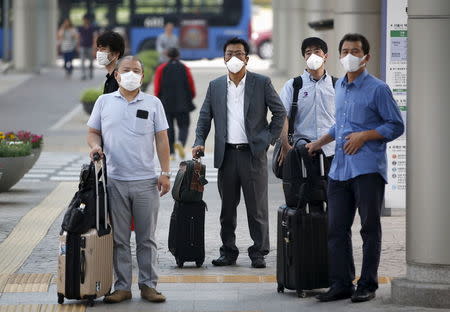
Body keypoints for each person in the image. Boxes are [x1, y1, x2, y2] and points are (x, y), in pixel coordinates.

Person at [306, 33, 404, 303]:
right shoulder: (340, 88)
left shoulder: (378, 89)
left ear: (366, 57)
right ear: (339, 56)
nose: (349, 55)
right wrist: (319, 142)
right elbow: (341, 125)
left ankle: (368, 285)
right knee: (336, 228)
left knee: (369, 228)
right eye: (345, 50)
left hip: (368, 169)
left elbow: (396, 125)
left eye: (355, 51)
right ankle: (341, 283)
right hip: (339, 170)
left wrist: (365, 135)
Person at [192, 37, 286, 268]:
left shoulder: (261, 83)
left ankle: (258, 252)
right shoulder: (215, 86)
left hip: (252, 155)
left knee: (257, 208)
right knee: (227, 209)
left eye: (239, 54)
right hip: (227, 156)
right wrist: (199, 140)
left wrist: (267, 140)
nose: (234, 58)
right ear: (224, 58)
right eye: (229, 54)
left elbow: (280, 112)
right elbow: (205, 117)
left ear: (247, 58)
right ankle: (228, 251)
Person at [87, 56, 171, 304]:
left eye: (136, 70)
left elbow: (162, 139)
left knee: (147, 238)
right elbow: (93, 132)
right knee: (120, 239)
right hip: (114, 181)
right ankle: (122, 287)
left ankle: (148, 286)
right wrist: (95, 147)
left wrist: (165, 173)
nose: (131, 74)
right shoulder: (104, 102)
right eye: (126, 70)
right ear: (117, 75)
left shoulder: (153, 103)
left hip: (146, 182)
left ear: (142, 77)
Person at [278, 37, 336, 173]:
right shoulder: (293, 85)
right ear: (304, 57)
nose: (312, 56)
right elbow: (282, 116)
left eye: (317, 51)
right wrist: (285, 145)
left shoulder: (337, 85)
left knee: (332, 193)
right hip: (301, 151)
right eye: (308, 52)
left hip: (332, 152)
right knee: (302, 192)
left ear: (325, 56)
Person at [154, 47, 196, 159]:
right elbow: (191, 86)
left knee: (169, 128)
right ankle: (181, 143)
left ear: (167, 56)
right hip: (183, 102)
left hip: (166, 103)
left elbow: (157, 87)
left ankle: (171, 153)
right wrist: (190, 97)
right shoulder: (185, 68)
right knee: (184, 126)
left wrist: (158, 99)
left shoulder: (161, 68)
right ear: (178, 56)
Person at [78, 14, 97, 80]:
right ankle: (83, 74)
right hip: (82, 46)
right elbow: (79, 37)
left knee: (91, 61)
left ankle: (91, 72)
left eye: (86, 20)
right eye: (84, 20)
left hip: (90, 46)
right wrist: (78, 45)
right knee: (82, 61)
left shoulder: (92, 28)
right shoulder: (80, 28)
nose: (85, 21)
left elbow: (94, 37)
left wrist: (94, 46)